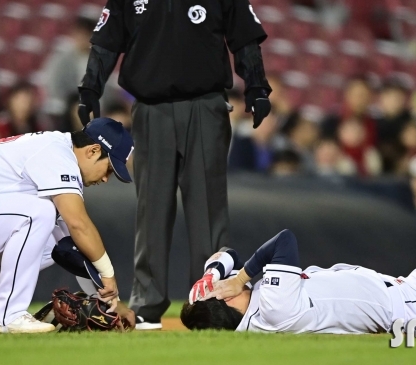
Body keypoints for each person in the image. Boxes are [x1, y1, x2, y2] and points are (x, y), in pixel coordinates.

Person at [78, 0, 272, 329]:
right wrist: (90, 88)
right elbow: (107, 39)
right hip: (150, 108)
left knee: (208, 211)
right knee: (151, 209)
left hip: (206, 104)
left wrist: (256, 86)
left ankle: (211, 300)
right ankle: (146, 304)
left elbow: (244, 36)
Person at [181, 208, 416, 334]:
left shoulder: (245, 312)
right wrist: (241, 277)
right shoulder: (273, 307)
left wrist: (216, 274)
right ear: (226, 301)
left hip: (399, 295)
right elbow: (284, 240)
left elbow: (226, 253)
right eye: (215, 289)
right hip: (413, 304)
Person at [0, 118, 135, 333]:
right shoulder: (56, 152)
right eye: (108, 169)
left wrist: (113, 302)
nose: (106, 178)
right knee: (39, 213)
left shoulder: (55, 154)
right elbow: (79, 223)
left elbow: (72, 247)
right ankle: (7, 315)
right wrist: (108, 272)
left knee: (51, 242)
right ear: (93, 151)